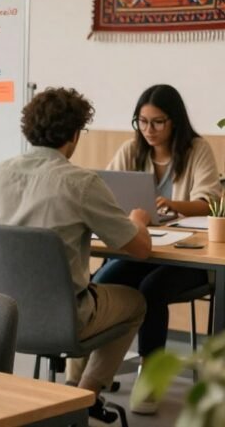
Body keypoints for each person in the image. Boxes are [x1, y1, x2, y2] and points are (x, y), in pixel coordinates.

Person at [0, 87, 152, 423]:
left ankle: (70, 393)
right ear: (74, 134)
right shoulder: (80, 182)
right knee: (135, 302)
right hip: (64, 318)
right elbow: (140, 249)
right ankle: (82, 397)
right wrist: (137, 220)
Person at [92, 84, 222, 415]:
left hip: (189, 257)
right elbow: (108, 194)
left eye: (158, 122)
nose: (149, 130)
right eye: (142, 122)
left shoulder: (197, 150)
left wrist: (172, 204)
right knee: (106, 279)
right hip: (144, 248)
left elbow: (211, 202)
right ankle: (89, 378)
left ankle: (149, 381)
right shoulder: (130, 150)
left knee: (151, 290)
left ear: (174, 121)